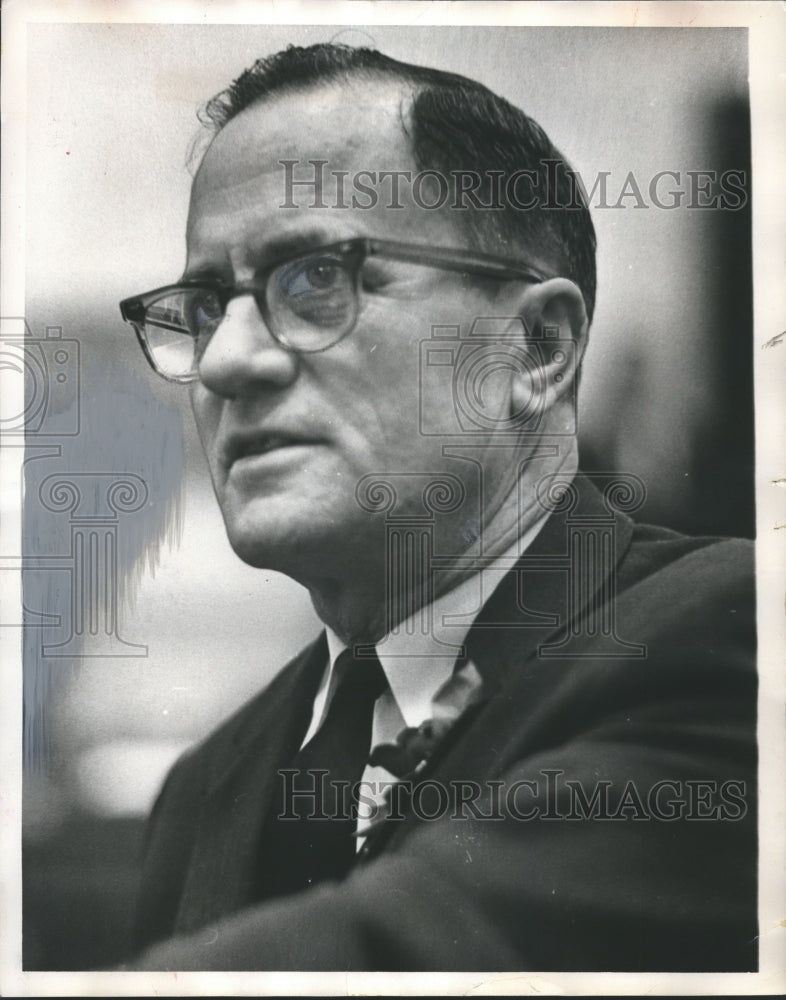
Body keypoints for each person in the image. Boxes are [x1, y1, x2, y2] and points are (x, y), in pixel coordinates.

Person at [119, 43, 757, 971]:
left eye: (315, 279)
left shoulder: (731, 635)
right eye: (210, 305)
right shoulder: (204, 785)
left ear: (536, 349)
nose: (224, 363)